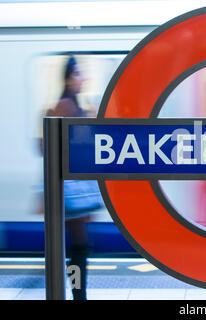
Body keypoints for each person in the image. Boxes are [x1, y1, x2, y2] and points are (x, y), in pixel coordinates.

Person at [45, 55, 100, 300]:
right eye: (78, 73)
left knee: (77, 246)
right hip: (68, 189)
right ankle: (79, 295)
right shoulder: (65, 107)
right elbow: (72, 146)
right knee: (79, 246)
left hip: (75, 188)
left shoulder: (77, 106)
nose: (82, 78)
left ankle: (77, 293)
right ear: (68, 78)